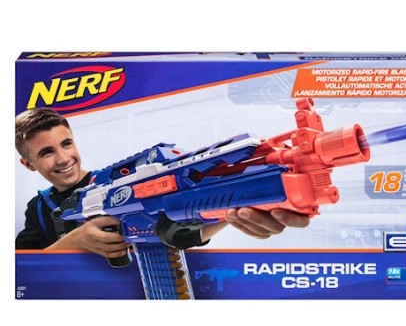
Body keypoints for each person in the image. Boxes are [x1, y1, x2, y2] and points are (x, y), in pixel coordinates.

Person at [15, 108, 310, 261]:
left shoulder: (110, 180)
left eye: (66, 144)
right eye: (46, 152)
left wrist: (233, 210)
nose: (63, 158)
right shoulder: (40, 207)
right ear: (28, 164)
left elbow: (174, 230)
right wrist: (75, 241)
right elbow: (20, 271)